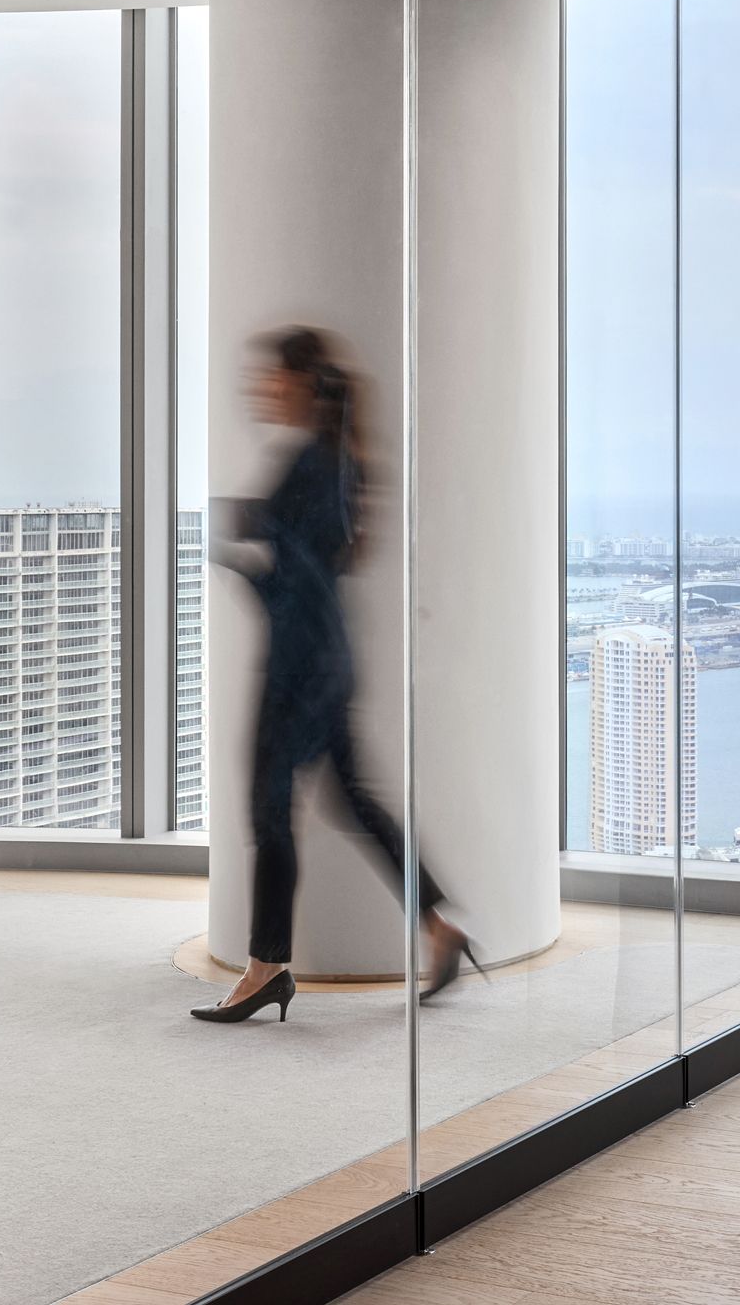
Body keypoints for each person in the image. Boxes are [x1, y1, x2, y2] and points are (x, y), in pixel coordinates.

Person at [194, 328, 474, 1025]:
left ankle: (266, 967)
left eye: (271, 378)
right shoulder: (333, 461)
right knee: (354, 802)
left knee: (270, 811)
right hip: (326, 661)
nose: (261, 389)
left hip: (301, 666)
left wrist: (230, 555)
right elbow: (313, 561)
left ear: (302, 383)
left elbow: (293, 582)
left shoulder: (314, 465)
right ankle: (440, 927)